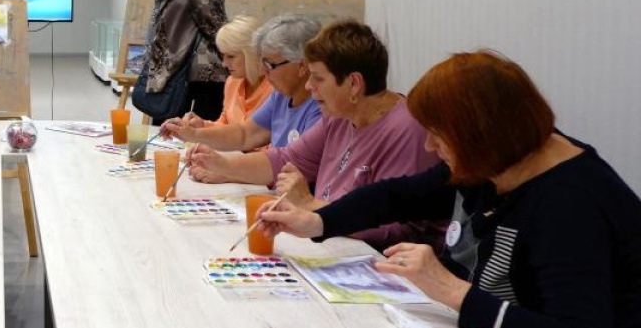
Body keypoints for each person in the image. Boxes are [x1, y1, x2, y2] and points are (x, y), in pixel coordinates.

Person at [257, 51, 641, 326]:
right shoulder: (500, 158)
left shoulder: (569, 205)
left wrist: (450, 289)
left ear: (478, 134)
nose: (429, 148)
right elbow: (397, 196)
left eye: (438, 136)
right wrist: (315, 221)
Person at [187, 21, 444, 251]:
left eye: (318, 78)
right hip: (328, 244)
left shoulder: (407, 130)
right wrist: (222, 164)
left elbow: (401, 231)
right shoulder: (339, 115)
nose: (309, 86)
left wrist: (311, 207)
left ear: (354, 84)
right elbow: (283, 161)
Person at [162, 14, 321, 151]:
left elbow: (278, 159)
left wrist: (225, 167)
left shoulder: (288, 92)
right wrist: (197, 130)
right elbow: (243, 133)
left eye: (231, 56)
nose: (224, 64)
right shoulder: (276, 94)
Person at [134, 0, 228, 124]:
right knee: (167, 138)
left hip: (200, 80)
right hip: (175, 75)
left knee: (193, 144)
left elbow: (217, 30)